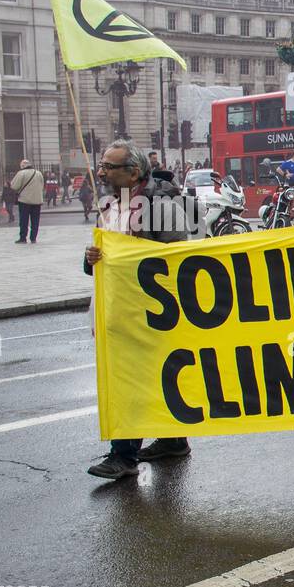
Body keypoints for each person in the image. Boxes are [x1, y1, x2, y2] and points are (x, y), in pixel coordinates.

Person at [82, 141, 193, 481]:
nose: (101, 172)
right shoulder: (112, 205)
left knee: (127, 380)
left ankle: (123, 456)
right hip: (117, 307)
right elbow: (100, 259)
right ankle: (173, 439)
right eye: (101, 165)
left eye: (110, 166)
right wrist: (91, 258)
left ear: (133, 171)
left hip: (147, 309)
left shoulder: (163, 203)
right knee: (150, 377)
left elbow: (177, 255)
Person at [9, 159, 44, 244]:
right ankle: (33, 238)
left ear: (22, 166)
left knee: (24, 220)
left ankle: (23, 238)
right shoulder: (38, 173)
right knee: (35, 220)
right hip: (37, 200)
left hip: (24, 200)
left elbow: (14, 186)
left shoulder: (21, 173)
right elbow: (42, 185)